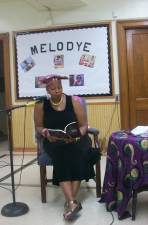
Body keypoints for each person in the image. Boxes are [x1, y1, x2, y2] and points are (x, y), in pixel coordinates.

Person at [34, 74, 100, 220]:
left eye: (59, 87)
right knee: (61, 155)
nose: (57, 90)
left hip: (78, 137)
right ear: (47, 90)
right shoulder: (40, 105)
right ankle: (72, 202)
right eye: (53, 88)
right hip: (54, 140)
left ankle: (70, 202)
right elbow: (38, 126)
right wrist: (45, 132)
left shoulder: (74, 101)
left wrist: (75, 137)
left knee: (78, 153)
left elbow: (83, 125)